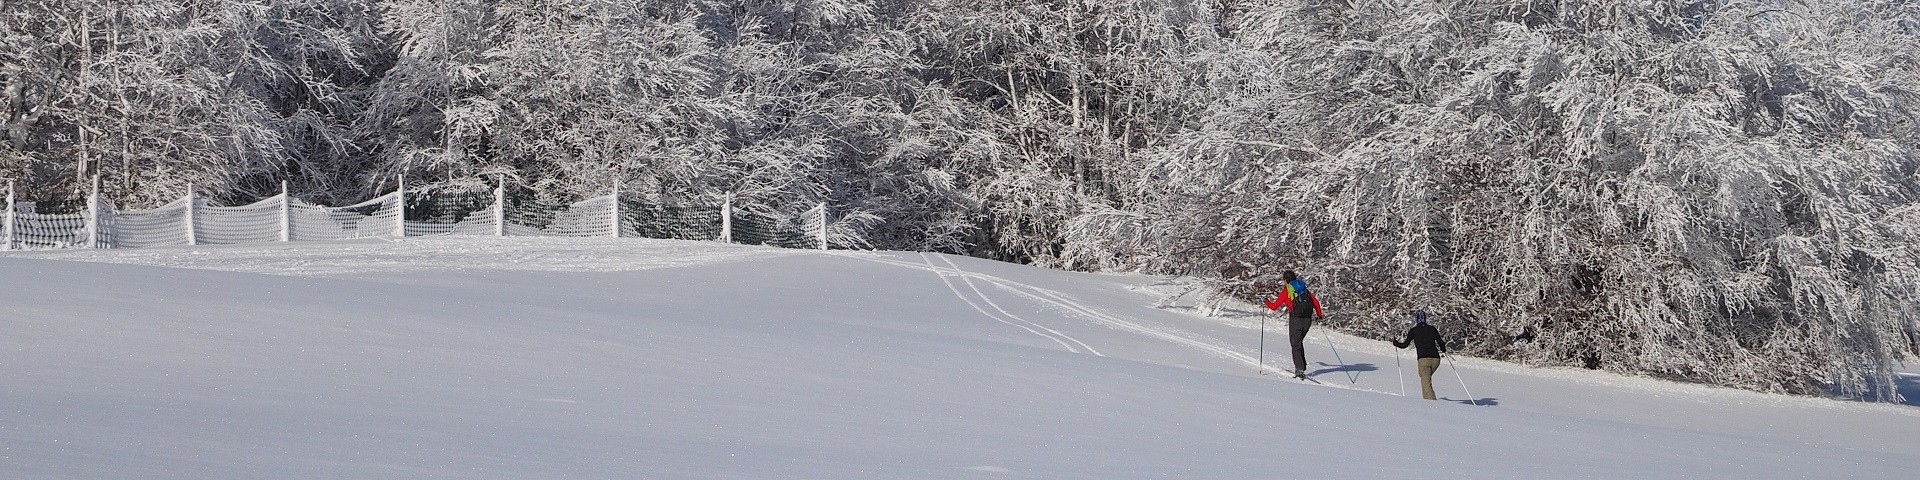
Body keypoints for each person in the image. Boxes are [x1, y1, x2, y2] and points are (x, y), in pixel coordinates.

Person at [1263, 270, 1323, 377]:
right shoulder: (1304, 290)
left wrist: (1265, 301)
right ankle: (1301, 367)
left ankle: (1300, 370)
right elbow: (1315, 302)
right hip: (1307, 320)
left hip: (1296, 319)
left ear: (1285, 280)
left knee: (1295, 344)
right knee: (1298, 343)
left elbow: (1274, 306)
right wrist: (1319, 315)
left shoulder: (1287, 291)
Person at [1392, 310, 1448, 400]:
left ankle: (1431, 404)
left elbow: (1404, 345)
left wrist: (1396, 343)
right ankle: (1427, 401)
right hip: (1436, 360)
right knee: (1426, 379)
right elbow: (1441, 342)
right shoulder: (1432, 329)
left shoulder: (1414, 330)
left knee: (1426, 382)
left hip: (1424, 360)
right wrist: (1443, 349)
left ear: (1416, 319)